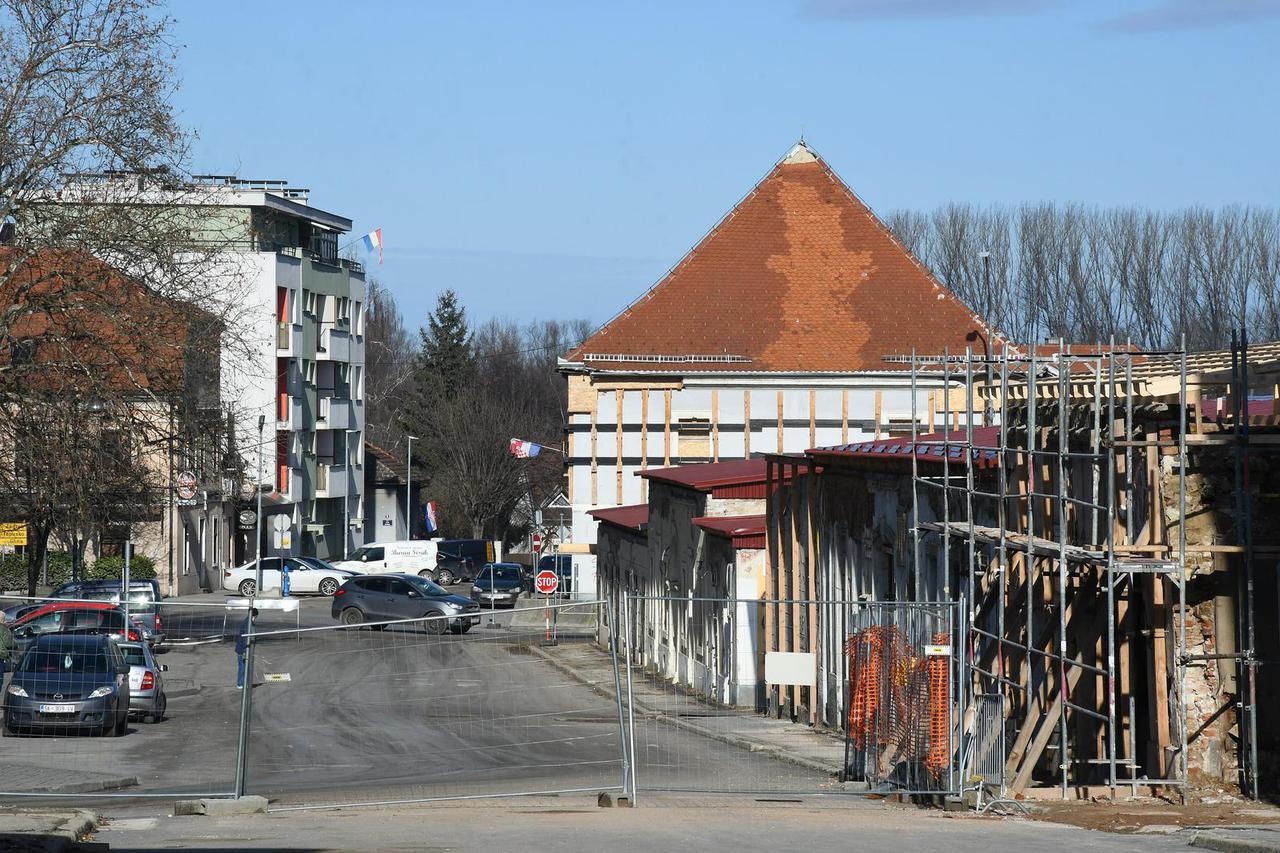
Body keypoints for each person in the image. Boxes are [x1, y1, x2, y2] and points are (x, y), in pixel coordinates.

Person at [235, 607, 258, 689]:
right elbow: (246, 638)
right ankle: (240, 683)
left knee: (243, 666)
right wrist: (246, 650)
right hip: (244, 649)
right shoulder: (249, 624)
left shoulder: (247, 621)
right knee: (243, 667)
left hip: (241, 648)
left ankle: (242, 682)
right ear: (254, 616)